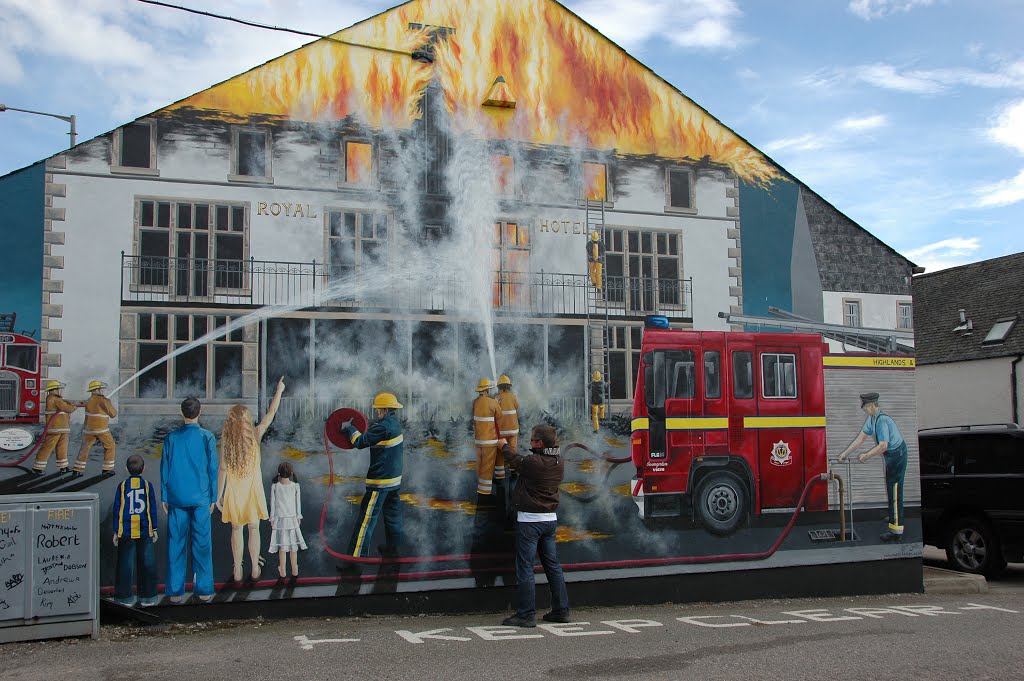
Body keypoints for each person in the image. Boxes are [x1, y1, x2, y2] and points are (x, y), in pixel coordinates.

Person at [497, 424, 570, 627]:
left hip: (530, 521)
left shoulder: (533, 462)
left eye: (531, 440)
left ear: (539, 443)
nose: (529, 443)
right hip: (549, 520)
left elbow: (515, 460)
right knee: (552, 566)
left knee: (526, 567)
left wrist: (503, 445)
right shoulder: (559, 460)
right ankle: (561, 610)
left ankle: (526, 614)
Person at [217, 376, 286, 584]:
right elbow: (270, 414)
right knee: (254, 529)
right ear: (247, 421)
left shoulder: (226, 443)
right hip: (252, 492)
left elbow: (222, 469)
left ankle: (237, 568)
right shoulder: (255, 435)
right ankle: (255, 566)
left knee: (236, 530)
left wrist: (218, 496)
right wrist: (279, 390)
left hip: (234, 493)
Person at [161, 396, 218, 603]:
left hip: (176, 497)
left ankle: (175, 592)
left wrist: (164, 496)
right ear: (199, 412)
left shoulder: (171, 438)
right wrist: (213, 496)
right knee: (202, 544)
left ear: (181, 412)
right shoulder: (208, 437)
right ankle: (203, 590)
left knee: (175, 544)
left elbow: (165, 469)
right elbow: (213, 469)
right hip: (201, 497)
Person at [836, 391, 908, 542]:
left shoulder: (882, 421)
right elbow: (860, 439)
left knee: (895, 489)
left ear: (872, 405)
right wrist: (845, 453)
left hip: (897, 454)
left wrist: (867, 455)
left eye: (866, 407)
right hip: (891, 455)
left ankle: (896, 530)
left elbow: (883, 446)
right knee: (890, 487)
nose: (864, 409)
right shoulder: (872, 419)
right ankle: (894, 515)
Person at [342, 392, 405, 558]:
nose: (377, 412)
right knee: (393, 518)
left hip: (380, 482)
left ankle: (354, 560)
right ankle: (393, 550)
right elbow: (376, 434)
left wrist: (349, 428)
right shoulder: (394, 424)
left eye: (378, 409)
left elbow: (360, 442)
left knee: (366, 521)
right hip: (394, 481)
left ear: (384, 409)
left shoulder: (382, 427)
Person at [111, 454, 160, 608]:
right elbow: (152, 508)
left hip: (126, 530)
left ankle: (124, 598)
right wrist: (154, 529)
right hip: (144, 529)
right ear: (143, 469)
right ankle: (148, 597)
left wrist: (116, 531)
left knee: (125, 563)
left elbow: (118, 509)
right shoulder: (147, 485)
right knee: (147, 563)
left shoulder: (123, 485)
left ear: (126, 469)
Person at [268, 461, 306, 583]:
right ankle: (295, 570)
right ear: (291, 473)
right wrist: (298, 517)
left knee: (282, 547)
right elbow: (297, 503)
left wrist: (272, 518)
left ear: (279, 473)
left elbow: (272, 504)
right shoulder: (295, 486)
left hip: (279, 520)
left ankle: (283, 571)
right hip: (292, 519)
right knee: (293, 546)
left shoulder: (275, 486)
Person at [72, 380, 118, 478]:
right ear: (97, 389)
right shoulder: (104, 400)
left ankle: (77, 470)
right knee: (110, 446)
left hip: (88, 430)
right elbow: (113, 414)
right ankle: (107, 469)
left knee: (85, 448)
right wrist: (108, 403)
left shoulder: (89, 400)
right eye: (102, 389)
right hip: (101, 430)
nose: (103, 390)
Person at [32, 380, 78, 475]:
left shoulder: (56, 399)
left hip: (62, 428)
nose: (61, 391)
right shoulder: (54, 399)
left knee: (62, 448)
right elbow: (68, 409)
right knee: (48, 448)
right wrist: (74, 406)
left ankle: (63, 466)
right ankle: (37, 467)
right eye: (60, 389)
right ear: (55, 390)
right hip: (55, 428)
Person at [472, 378, 504, 496]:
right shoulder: (492, 402)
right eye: (490, 389)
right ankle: (484, 491)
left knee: (480, 464)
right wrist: (497, 402)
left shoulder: (475, 402)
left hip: (478, 440)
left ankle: (480, 486)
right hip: (489, 441)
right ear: (487, 390)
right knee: (487, 465)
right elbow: (499, 416)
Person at [496, 374, 520, 452]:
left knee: (502, 449)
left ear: (499, 387)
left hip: (501, 430)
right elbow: (517, 406)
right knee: (513, 449)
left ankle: (502, 463)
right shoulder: (513, 396)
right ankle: (513, 463)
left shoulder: (497, 397)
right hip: (513, 430)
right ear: (509, 386)